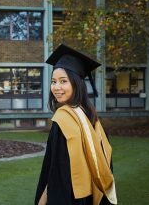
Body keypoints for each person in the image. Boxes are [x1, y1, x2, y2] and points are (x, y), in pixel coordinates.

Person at [35, 44, 117, 205]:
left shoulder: (63, 119)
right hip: (90, 193)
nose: (56, 87)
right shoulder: (89, 115)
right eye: (53, 81)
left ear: (76, 84)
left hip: (70, 197)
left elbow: (58, 172)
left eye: (63, 81)